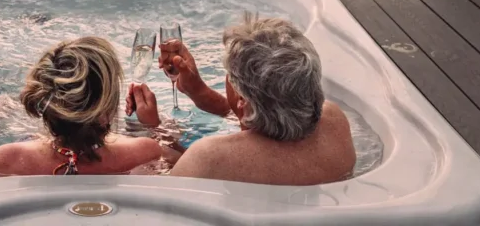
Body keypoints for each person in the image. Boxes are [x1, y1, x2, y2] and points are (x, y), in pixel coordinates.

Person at [126, 13, 356, 185]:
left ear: (243, 101)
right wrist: (199, 91)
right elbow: (265, 118)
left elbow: (159, 190)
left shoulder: (208, 158)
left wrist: (152, 129)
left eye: (229, 75)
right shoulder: (334, 121)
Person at [0, 36, 174, 175]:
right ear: (105, 108)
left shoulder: (5, 159)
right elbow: (184, 168)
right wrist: (155, 126)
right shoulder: (144, 152)